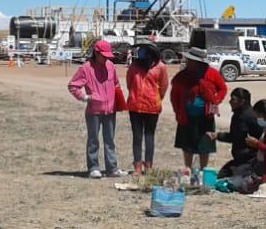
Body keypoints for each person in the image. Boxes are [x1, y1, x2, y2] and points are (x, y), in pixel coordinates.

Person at [67, 39, 126, 179]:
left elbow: (116, 84)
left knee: (110, 140)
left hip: (110, 110)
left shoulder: (110, 66)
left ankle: (112, 168)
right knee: (93, 140)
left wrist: (118, 99)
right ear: (96, 53)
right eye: (103, 55)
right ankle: (93, 168)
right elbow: (73, 86)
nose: (106, 58)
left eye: (107, 56)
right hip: (94, 111)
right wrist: (84, 97)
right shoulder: (86, 68)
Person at [170, 47, 228, 177]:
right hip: (186, 116)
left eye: (190, 60)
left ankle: (203, 169)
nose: (188, 62)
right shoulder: (182, 76)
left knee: (204, 144)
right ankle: (188, 168)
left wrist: (216, 101)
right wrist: (177, 111)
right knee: (187, 144)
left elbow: (222, 88)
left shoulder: (212, 73)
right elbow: (174, 95)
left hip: (206, 116)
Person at [125, 41, 169, 175]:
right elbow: (129, 83)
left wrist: (156, 98)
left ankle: (148, 165)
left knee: (149, 136)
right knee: (137, 136)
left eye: (143, 51)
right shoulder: (134, 65)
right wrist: (135, 95)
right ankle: (137, 165)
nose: (140, 54)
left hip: (152, 108)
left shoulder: (161, 67)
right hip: (135, 106)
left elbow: (163, 86)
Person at [208, 87, 264, 178]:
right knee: (222, 175)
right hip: (241, 159)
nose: (230, 101)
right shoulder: (238, 115)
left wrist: (218, 136)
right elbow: (235, 136)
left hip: (251, 159)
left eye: (233, 99)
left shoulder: (247, 116)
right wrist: (217, 135)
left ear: (242, 101)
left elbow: (237, 137)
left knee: (233, 179)